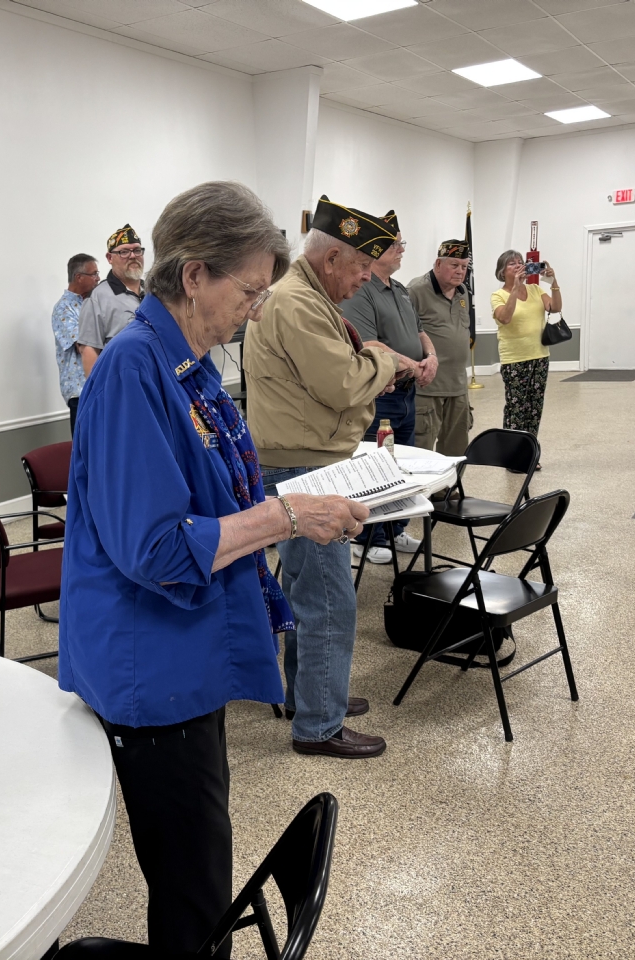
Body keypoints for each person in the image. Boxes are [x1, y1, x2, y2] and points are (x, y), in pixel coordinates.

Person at [59, 182, 369, 955]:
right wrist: (287, 516)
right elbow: (159, 548)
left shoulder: (186, 364)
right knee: (192, 882)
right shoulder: (132, 370)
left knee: (201, 856)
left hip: (186, 652)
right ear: (194, 275)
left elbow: (218, 489)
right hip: (151, 666)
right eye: (250, 290)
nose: (257, 310)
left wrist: (297, 506)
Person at [245, 196, 411, 760]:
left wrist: (369, 364)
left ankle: (310, 694)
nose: (365, 278)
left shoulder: (306, 296)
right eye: (361, 266)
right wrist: (384, 359)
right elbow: (341, 384)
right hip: (304, 466)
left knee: (306, 591)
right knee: (329, 599)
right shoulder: (298, 302)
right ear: (332, 257)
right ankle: (319, 726)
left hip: (307, 459)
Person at [343, 210, 430, 563]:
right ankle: (368, 537)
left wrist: (430, 356)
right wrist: (410, 363)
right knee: (377, 463)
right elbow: (367, 343)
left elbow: (420, 331)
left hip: (408, 391)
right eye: (395, 244)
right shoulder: (362, 292)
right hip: (384, 393)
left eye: (401, 243)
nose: (402, 249)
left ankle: (395, 530)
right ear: (374, 249)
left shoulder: (401, 290)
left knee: (401, 463)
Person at [408, 239, 474, 456]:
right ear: (438, 264)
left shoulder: (463, 292)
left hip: (458, 386)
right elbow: (406, 334)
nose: (460, 271)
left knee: (456, 450)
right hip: (429, 388)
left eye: (464, 266)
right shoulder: (416, 291)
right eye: (454, 265)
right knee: (422, 451)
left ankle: (450, 482)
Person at [492, 249, 561, 457]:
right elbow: (505, 318)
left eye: (520, 262)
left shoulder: (535, 290)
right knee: (516, 408)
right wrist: (515, 288)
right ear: (502, 271)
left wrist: (553, 282)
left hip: (540, 357)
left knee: (534, 409)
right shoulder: (498, 295)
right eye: (512, 263)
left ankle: (529, 454)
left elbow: (555, 308)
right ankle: (512, 455)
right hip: (514, 359)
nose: (518, 265)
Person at [78, 224, 144, 376]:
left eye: (137, 250)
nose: (133, 256)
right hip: (121, 384)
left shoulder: (153, 292)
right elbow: (89, 350)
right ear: (109, 258)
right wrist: (98, 389)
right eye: (124, 252)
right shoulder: (97, 298)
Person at [52, 253, 99, 432]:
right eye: (93, 274)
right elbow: (84, 346)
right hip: (80, 392)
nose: (98, 278)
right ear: (79, 277)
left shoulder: (93, 303)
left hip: (100, 387)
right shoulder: (64, 308)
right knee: (85, 445)